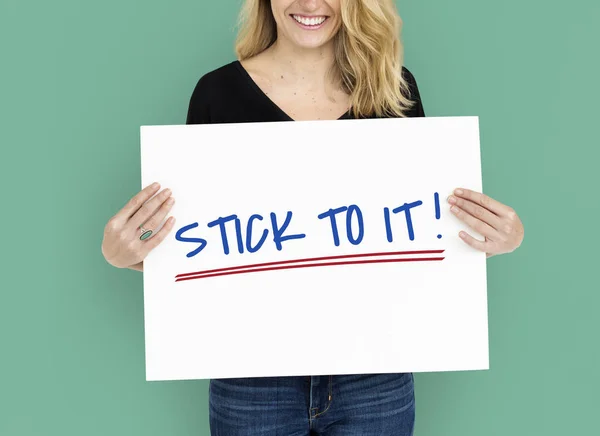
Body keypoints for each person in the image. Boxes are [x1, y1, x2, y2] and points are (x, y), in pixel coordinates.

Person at [101, 1, 525, 434]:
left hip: (375, 373)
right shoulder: (216, 93)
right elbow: (199, 251)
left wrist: (497, 239)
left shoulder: (393, 89)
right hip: (251, 378)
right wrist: (127, 255)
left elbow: (416, 243)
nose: (309, 3)